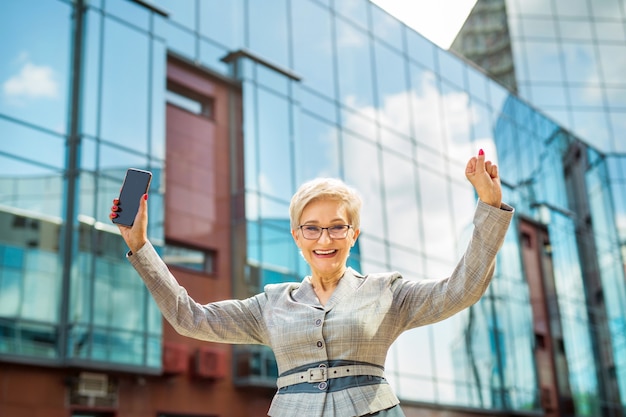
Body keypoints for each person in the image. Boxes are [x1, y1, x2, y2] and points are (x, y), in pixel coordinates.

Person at [109, 149, 514, 417]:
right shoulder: (270, 304)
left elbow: (462, 289)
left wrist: (489, 207)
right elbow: (189, 318)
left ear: (354, 234)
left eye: (338, 227)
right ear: (297, 236)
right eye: (313, 229)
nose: (325, 239)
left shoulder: (388, 293)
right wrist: (141, 247)